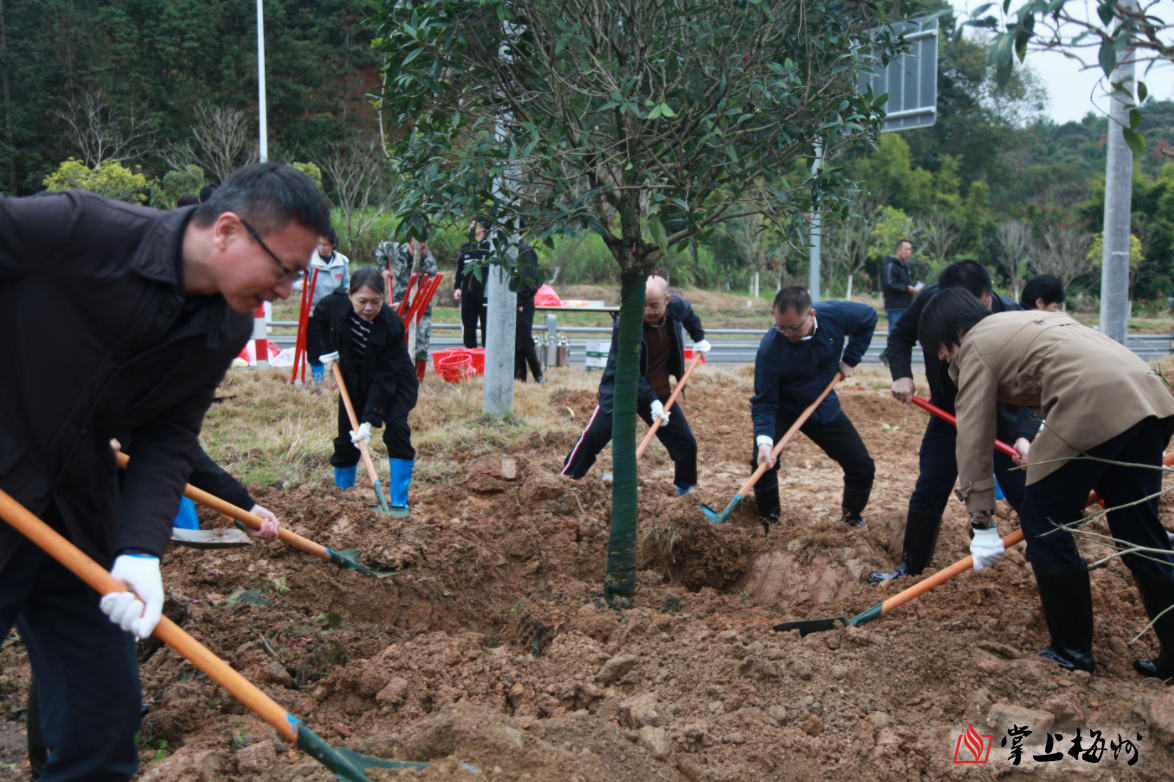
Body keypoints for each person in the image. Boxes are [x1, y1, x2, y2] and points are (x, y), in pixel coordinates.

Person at [0, 162, 330, 781]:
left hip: (77, 515)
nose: (287, 291)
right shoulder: (81, 231)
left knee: (102, 723)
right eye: (284, 269)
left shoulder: (226, 324)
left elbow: (169, 435)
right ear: (226, 230)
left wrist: (139, 549)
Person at [918, 289, 1174, 677]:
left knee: (1044, 521)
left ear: (955, 330)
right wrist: (1042, 447)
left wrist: (982, 522)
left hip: (1093, 405)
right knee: (1139, 528)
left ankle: (1071, 652)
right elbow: (1066, 374)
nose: (940, 357)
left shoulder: (975, 347)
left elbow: (973, 436)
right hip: (1149, 400)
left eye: (937, 346)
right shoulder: (1035, 321)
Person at [872, 260, 1038, 582]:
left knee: (1025, 491)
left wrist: (1023, 435)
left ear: (988, 296)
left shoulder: (1012, 317)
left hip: (1000, 420)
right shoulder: (930, 303)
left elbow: (1033, 392)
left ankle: (1054, 555)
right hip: (949, 414)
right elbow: (900, 335)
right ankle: (911, 569)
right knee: (930, 486)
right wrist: (902, 374)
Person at [561, 276, 711, 495]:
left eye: (654, 306)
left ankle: (683, 488)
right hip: (622, 389)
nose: (648, 311)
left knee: (686, 443)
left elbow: (690, 315)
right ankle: (566, 480)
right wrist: (652, 401)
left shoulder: (677, 307)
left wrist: (699, 338)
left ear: (667, 301)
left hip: (659, 391)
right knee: (593, 435)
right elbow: (629, 370)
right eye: (643, 305)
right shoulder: (627, 323)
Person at [750, 287, 877, 528]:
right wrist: (764, 440)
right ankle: (769, 522)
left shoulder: (834, 314)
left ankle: (851, 518)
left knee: (862, 465)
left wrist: (851, 359)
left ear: (811, 315)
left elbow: (868, 317)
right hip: (783, 407)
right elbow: (764, 401)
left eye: (793, 328)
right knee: (763, 463)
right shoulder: (770, 349)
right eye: (780, 327)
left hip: (822, 402)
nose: (786, 334)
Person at [315, 268, 419, 511]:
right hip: (354, 376)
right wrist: (327, 348)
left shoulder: (392, 326)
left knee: (397, 431)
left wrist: (370, 419)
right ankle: (343, 498)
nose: (369, 308)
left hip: (394, 379)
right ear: (350, 295)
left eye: (376, 301)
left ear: (384, 298)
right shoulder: (334, 304)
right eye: (362, 301)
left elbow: (384, 378)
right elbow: (320, 316)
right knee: (346, 437)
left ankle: (399, 503)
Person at [377, 235, 438, 380]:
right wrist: (383, 269)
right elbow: (381, 249)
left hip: (420, 306)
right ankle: (394, 376)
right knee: (393, 340)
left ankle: (417, 381)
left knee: (420, 343)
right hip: (397, 304)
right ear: (408, 244)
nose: (421, 252)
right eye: (417, 248)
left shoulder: (429, 264)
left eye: (424, 248)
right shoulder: (398, 250)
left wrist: (405, 303)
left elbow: (425, 293)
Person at [304, 228, 351, 382]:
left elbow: (346, 283)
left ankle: (335, 379)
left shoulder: (342, 261)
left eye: (325, 244)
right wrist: (303, 284)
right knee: (314, 346)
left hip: (335, 311)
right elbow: (296, 280)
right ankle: (317, 380)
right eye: (319, 244)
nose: (322, 248)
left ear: (333, 245)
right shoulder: (309, 260)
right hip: (313, 311)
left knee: (336, 345)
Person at [454, 217, 490, 348]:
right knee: (468, 326)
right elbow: (460, 269)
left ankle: (486, 354)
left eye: (474, 225)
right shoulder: (465, 247)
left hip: (485, 295)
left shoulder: (490, 247)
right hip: (468, 293)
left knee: (487, 326)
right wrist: (458, 287)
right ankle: (470, 353)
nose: (470, 228)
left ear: (482, 229)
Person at [515, 241, 545, 383]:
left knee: (525, 341)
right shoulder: (512, 249)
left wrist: (520, 300)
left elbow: (530, 280)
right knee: (516, 343)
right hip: (516, 302)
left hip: (523, 303)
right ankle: (519, 378)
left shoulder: (524, 250)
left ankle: (538, 377)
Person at [880, 239, 919, 329]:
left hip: (907, 306)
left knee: (905, 333)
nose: (908, 252)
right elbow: (890, 284)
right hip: (895, 307)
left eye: (910, 250)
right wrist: (907, 288)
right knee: (895, 333)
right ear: (898, 250)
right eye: (906, 249)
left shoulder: (906, 266)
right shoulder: (890, 265)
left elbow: (904, 284)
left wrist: (915, 287)